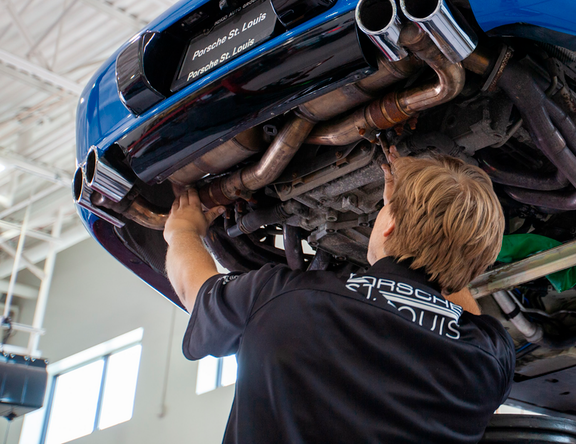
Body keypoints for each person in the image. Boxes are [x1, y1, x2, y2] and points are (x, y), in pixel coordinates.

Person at [163, 149, 514, 444]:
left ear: (389, 226)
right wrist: (446, 243)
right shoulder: (489, 359)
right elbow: (459, 303)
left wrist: (182, 230)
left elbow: (193, 291)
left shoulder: (281, 296)